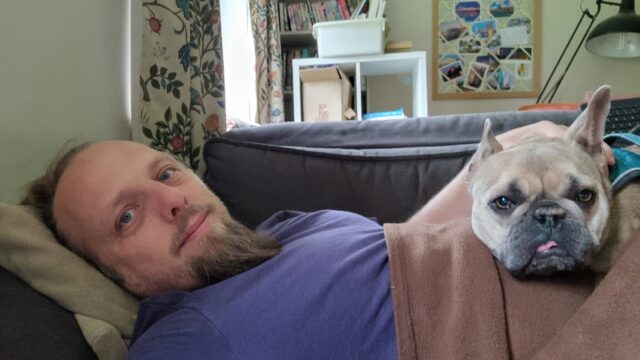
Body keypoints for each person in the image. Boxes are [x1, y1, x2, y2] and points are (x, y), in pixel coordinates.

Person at [20, 121, 612, 359]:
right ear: (109, 275)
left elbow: (415, 240)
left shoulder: (287, 227)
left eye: (165, 173)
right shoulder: (184, 338)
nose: (171, 200)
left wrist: (513, 154)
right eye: (127, 217)